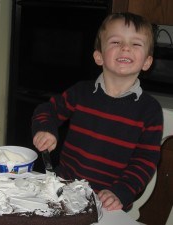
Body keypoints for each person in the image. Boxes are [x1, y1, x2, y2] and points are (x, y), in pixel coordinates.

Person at [32, 12, 163, 211]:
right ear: (99, 56)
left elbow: (145, 163)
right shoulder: (80, 92)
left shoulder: (150, 110)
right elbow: (47, 110)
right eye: (116, 42)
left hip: (107, 204)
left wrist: (121, 192)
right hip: (63, 190)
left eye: (136, 44)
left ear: (147, 61)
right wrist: (45, 129)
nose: (125, 47)